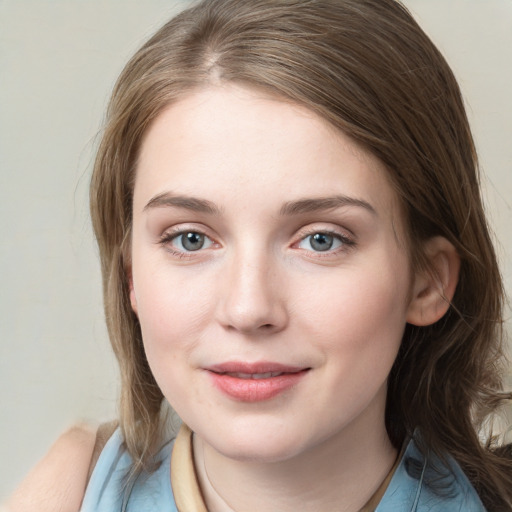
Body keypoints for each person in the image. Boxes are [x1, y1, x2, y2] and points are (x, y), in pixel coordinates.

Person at [4, 0, 511, 510]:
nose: (248, 309)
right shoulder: (67, 492)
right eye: (190, 239)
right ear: (131, 275)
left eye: (321, 239)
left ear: (427, 281)